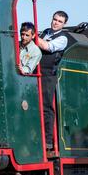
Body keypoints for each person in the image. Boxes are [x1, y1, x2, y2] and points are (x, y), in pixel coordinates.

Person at [36, 11, 69, 153]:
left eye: (59, 21)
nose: (56, 22)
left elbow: (46, 47)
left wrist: (32, 37)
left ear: (64, 24)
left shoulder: (63, 38)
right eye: (55, 19)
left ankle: (48, 141)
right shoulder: (44, 32)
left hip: (48, 75)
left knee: (46, 107)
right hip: (35, 72)